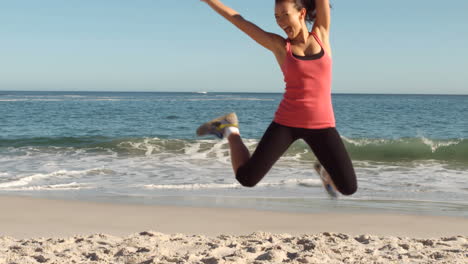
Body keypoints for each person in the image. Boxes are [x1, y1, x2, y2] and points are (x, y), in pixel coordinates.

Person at [196, 0, 357, 197]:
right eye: (276, 17)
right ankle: (229, 129)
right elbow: (237, 19)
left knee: (348, 188)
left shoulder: (321, 33)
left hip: (322, 125)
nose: (280, 22)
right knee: (247, 179)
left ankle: (324, 171)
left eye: (284, 14)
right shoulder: (280, 46)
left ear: (301, 13)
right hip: (287, 123)